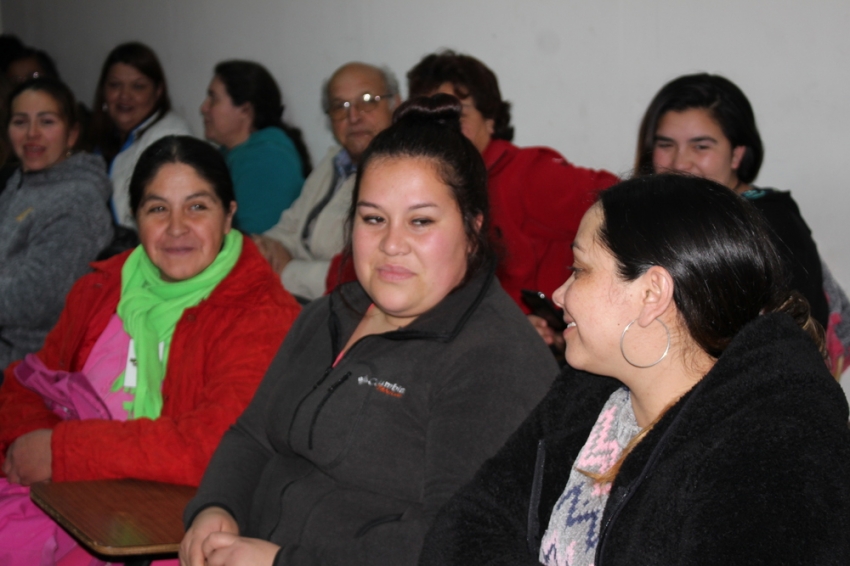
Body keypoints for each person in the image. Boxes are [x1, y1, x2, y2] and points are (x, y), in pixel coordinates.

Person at [180, 95, 559, 566]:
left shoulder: (496, 360)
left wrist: (280, 562)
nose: (392, 244)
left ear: (472, 228)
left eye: (420, 221)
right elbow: (252, 436)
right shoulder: (327, 314)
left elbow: (452, 543)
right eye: (373, 218)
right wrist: (216, 509)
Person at [419, 175, 850, 565]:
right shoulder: (588, 392)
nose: (559, 293)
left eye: (579, 270)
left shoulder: (775, 447)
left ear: (651, 293)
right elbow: (466, 527)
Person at [0, 135, 301, 564]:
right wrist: (32, 445)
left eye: (197, 207)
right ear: (135, 219)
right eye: (157, 209)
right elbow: (26, 385)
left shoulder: (262, 314)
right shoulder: (101, 288)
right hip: (67, 500)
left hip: (172, 524)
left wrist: (61, 452)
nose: (177, 228)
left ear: (228, 215)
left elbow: (213, 447)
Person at [406, 50, 618, 349]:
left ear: (490, 120)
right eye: (430, 118)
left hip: (540, 347)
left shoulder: (525, 174)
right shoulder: (422, 187)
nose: (443, 128)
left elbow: (627, 205)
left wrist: (578, 312)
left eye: (457, 115)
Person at [634, 73, 829, 330]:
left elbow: (795, 335)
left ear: (737, 155)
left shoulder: (771, 226)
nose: (680, 163)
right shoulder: (654, 218)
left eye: (701, 147)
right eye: (666, 145)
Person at [252, 62, 399, 300]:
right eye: (340, 106)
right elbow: (291, 226)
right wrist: (263, 247)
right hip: (303, 298)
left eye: (367, 100)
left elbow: (370, 272)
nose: (353, 116)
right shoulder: (335, 160)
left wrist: (289, 272)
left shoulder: (401, 173)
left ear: (395, 104)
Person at [0, 77, 112, 371]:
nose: (32, 134)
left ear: (71, 134)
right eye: (20, 122)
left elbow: (33, 301)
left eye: (46, 122)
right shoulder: (22, 180)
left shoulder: (77, 200)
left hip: (28, 364)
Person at [201, 60, 311, 233]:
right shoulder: (228, 154)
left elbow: (255, 237)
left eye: (213, 99)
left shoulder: (268, 160)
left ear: (245, 110)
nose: (204, 108)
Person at [89, 42, 192, 229]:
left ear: (158, 91)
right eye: (115, 85)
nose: (124, 96)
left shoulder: (170, 139)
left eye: (138, 87)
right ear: (103, 90)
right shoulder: (102, 139)